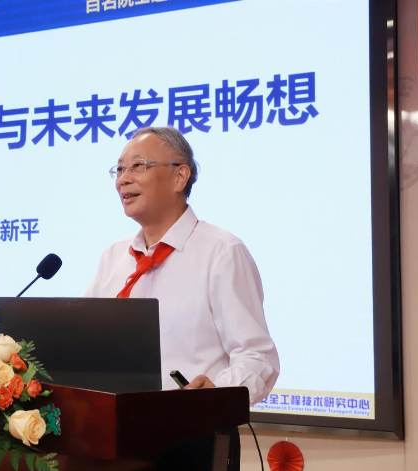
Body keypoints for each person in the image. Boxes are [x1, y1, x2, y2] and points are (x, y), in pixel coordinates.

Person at [85, 126, 279, 404]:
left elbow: (257, 357)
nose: (123, 180)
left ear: (179, 177)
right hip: (116, 422)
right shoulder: (114, 256)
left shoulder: (222, 252)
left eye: (138, 166)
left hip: (193, 424)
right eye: (119, 169)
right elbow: (87, 343)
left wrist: (218, 392)